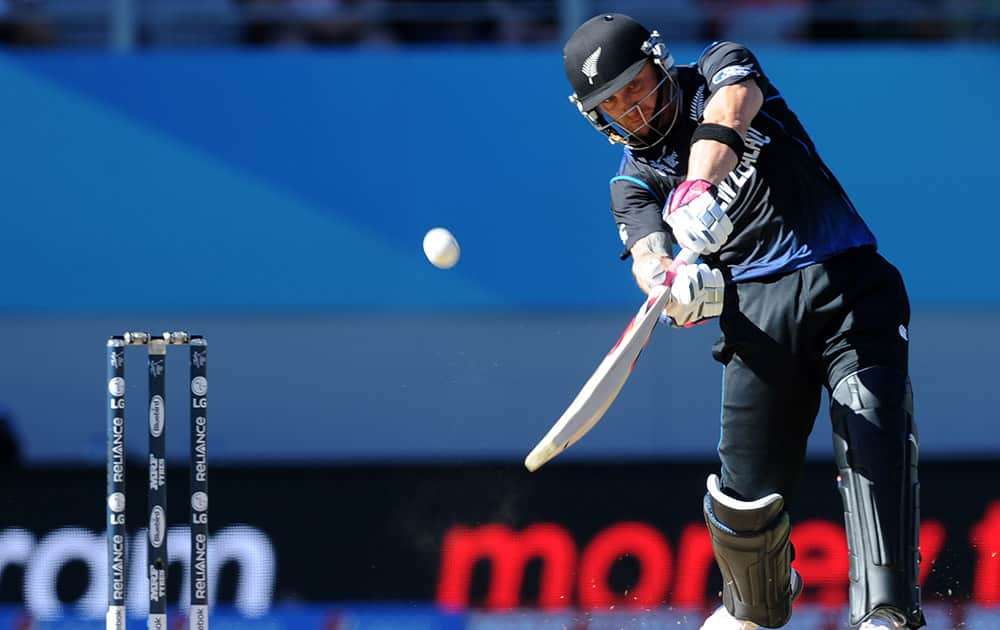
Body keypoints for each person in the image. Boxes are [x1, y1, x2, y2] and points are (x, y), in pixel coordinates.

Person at [561, 13, 923, 630]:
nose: (633, 110)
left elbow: (733, 106)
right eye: (613, 104)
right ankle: (755, 603)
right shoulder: (632, 182)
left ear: (658, 63)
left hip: (843, 279)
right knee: (744, 511)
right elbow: (648, 256)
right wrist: (671, 288)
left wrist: (696, 186)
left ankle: (886, 611)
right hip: (755, 322)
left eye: (636, 85)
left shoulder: (715, 67)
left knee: (873, 416)